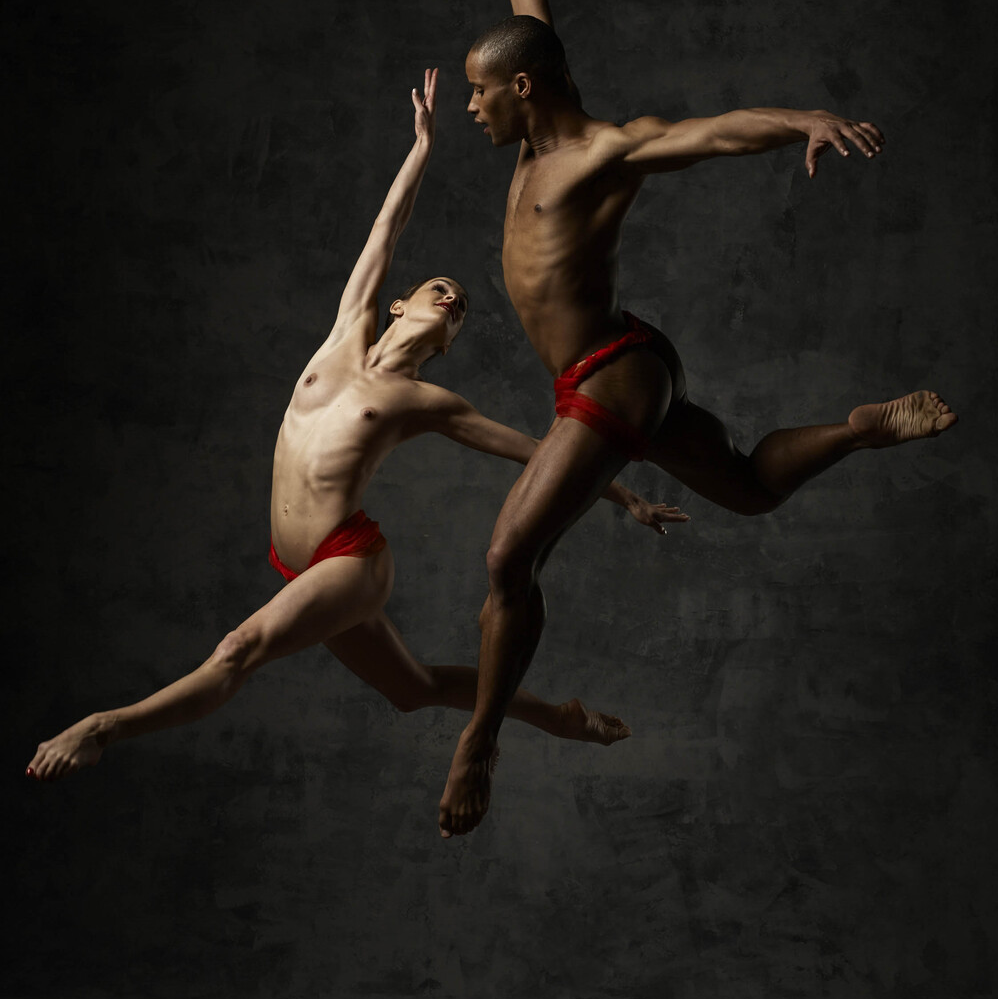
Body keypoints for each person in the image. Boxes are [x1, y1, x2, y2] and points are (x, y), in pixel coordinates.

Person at [429, 0, 959, 838]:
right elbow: (533, 28)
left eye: (480, 91)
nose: (471, 105)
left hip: (612, 373)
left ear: (523, 90)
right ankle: (856, 430)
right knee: (749, 487)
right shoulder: (535, 120)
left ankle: (480, 740)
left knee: (510, 557)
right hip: (612, 369)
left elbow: (713, 131)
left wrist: (801, 119)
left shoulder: (601, 152)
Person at [26, 69, 683, 785]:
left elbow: (535, 450)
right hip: (295, 561)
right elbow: (386, 229)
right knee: (414, 689)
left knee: (238, 649)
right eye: (440, 290)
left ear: (448, 343)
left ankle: (103, 726)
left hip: (350, 560)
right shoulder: (345, 334)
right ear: (398, 305)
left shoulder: (424, 401)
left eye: (461, 309)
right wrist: (422, 148)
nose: (452, 300)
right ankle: (559, 717)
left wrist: (623, 495)